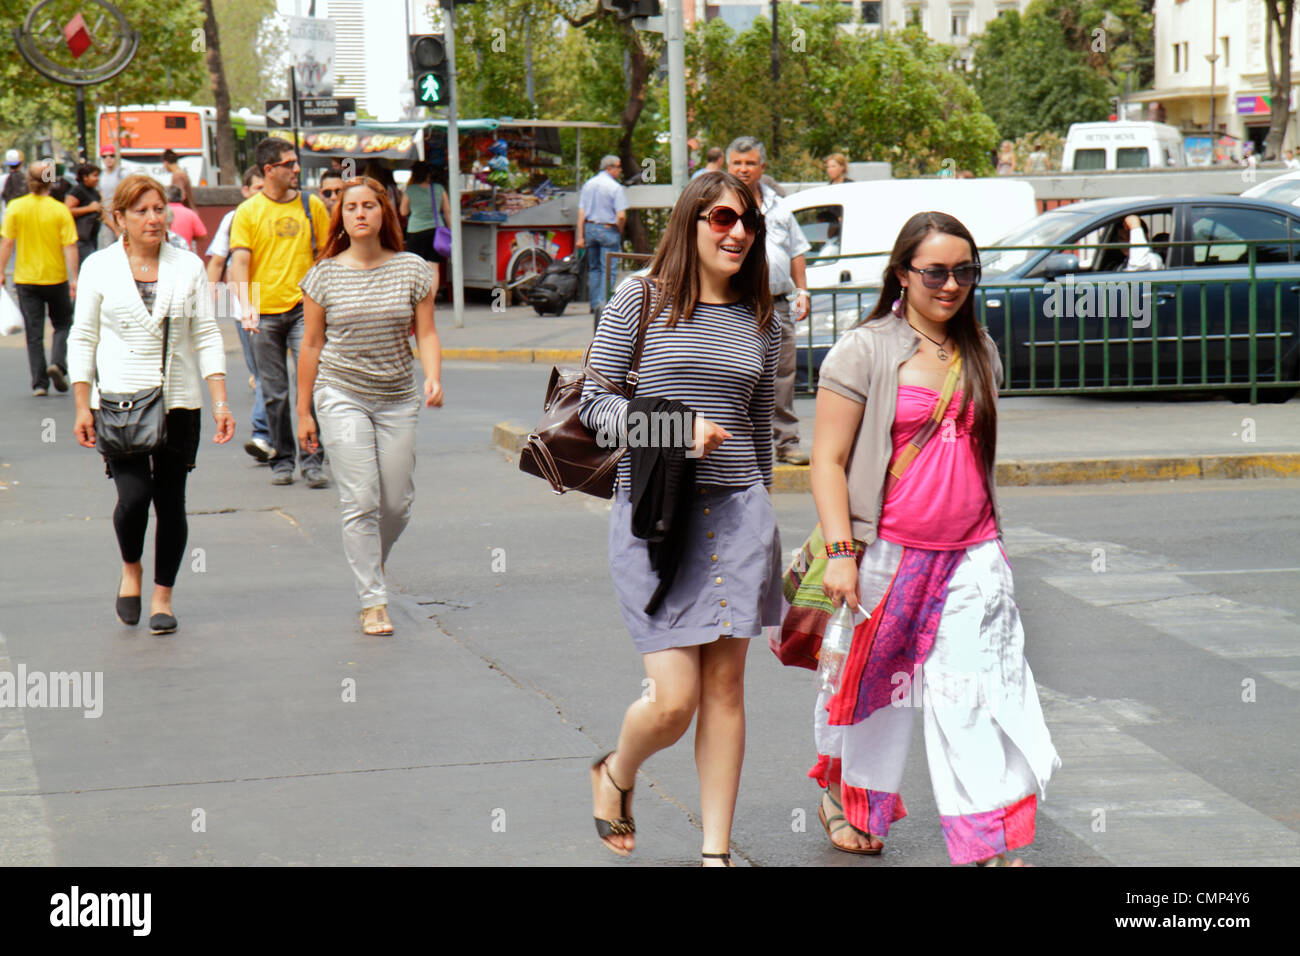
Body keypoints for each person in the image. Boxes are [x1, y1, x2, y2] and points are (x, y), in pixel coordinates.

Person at [806, 210, 1059, 865]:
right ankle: (852, 800)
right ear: (902, 274)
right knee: (873, 690)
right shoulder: (863, 350)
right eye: (936, 272)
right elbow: (827, 461)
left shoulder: (980, 350)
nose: (952, 285)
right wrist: (840, 554)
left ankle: (986, 843)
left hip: (972, 554)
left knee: (973, 695)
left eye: (965, 272)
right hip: (885, 552)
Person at [579, 171, 781, 866]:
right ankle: (616, 773)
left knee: (725, 688)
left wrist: (766, 512)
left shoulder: (764, 316)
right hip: (655, 518)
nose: (738, 232)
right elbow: (593, 408)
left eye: (750, 222)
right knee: (674, 699)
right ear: (691, 221)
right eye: (723, 217)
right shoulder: (641, 300)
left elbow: (761, 432)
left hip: (738, 513)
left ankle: (715, 854)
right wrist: (674, 430)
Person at [68, 174, 234, 635]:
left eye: (158, 208)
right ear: (118, 218)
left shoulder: (188, 267)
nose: (153, 218)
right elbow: (83, 337)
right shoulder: (99, 267)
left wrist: (220, 401)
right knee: (134, 497)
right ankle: (131, 568)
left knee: (171, 502)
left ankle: (163, 595)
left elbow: (205, 334)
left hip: (179, 401)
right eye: (140, 211)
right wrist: (83, 405)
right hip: (119, 403)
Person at [296, 178, 443, 637]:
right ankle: (372, 599)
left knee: (396, 504)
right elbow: (312, 345)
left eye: (369, 206)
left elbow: (427, 333)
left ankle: (368, 562)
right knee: (360, 499)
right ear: (340, 217)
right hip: (341, 394)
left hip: (397, 396)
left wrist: (433, 375)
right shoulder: (323, 276)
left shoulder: (412, 269)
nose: (360, 213)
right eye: (351, 207)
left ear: (385, 214)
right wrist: (304, 411)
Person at [227, 137, 331, 488]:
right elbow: (239, 262)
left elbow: (326, 256)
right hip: (264, 315)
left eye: (296, 162)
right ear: (269, 170)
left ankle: (313, 459)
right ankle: (282, 459)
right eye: (290, 164)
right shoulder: (249, 212)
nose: (297, 169)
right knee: (274, 392)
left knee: (310, 389)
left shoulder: (311, 205)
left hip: (305, 310)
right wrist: (246, 308)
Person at [727, 136, 811, 465]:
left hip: (777, 304)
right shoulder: (719, 203)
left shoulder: (779, 204)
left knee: (783, 374)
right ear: (728, 165)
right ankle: (737, 443)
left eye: (750, 163)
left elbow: (797, 250)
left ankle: (786, 441)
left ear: (762, 167)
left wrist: (802, 291)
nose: (744, 169)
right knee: (735, 371)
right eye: (737, 163)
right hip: (734, 304)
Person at [206, 164, 272, 463]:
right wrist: (209, 295)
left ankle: (267, 434)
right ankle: (272, 436)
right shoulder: (233, 219)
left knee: (272, 377)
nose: (263, 193)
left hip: (283, 304)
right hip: (245, 307)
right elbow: (218, 260)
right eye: (257, 188)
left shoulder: (282, 214)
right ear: (246, 191)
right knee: (262, 374)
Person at [0, 160, 78, 397]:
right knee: (63, 323)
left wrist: (1, 270)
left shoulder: (15, 207)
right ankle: (58, 363)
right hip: (56, 277)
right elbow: (71, 246)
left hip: (26, 279)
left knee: (33, 333)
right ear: (50, 183)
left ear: (28, 182)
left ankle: (39, 383)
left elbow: (7, 242)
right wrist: (75, 278)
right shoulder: (59, 209)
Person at [576, 155, 627, 318]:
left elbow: (581, 213)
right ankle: (603, 305)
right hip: (608, 229)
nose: (620, 170)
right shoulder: (615, 187)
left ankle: (593, 305)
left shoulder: (588, 185)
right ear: (609, 168)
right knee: (608, 269)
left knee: (594, 268)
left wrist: (580, 237)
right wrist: (619, 229)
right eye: (618, 167)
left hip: (590, 228)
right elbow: (621, 215)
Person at [399, 160, 451, 273]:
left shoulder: (410, 190)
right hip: (436, 231)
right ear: (428, 174)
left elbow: (403, 212)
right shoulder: (439, 188)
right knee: (433, 265)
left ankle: (420, 290)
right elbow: (447, 211)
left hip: (416, 231)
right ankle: (433, 291)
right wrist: (451, 229)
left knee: (416, 265)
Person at [66, 163, 104, 266]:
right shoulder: (77, 191)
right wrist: (89, 208)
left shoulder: (94, 193)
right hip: (80, 237)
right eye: (94, 176)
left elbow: (101, 212)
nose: (97, 179)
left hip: (92, 236)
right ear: (85, 177)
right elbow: (67, 211)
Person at [165, 185, 207, 252]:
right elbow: (202, 235)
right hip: (185, 252)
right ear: (182, 197)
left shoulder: (162, 211)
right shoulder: (190, 213)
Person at [97, 145, 124, 242]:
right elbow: (101, 200)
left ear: (116, 157)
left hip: (122, 218)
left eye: (111, 156)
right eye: (105, 156)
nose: (108, 159)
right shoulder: (100, 176)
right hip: (108, 221)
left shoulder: (122, 173)